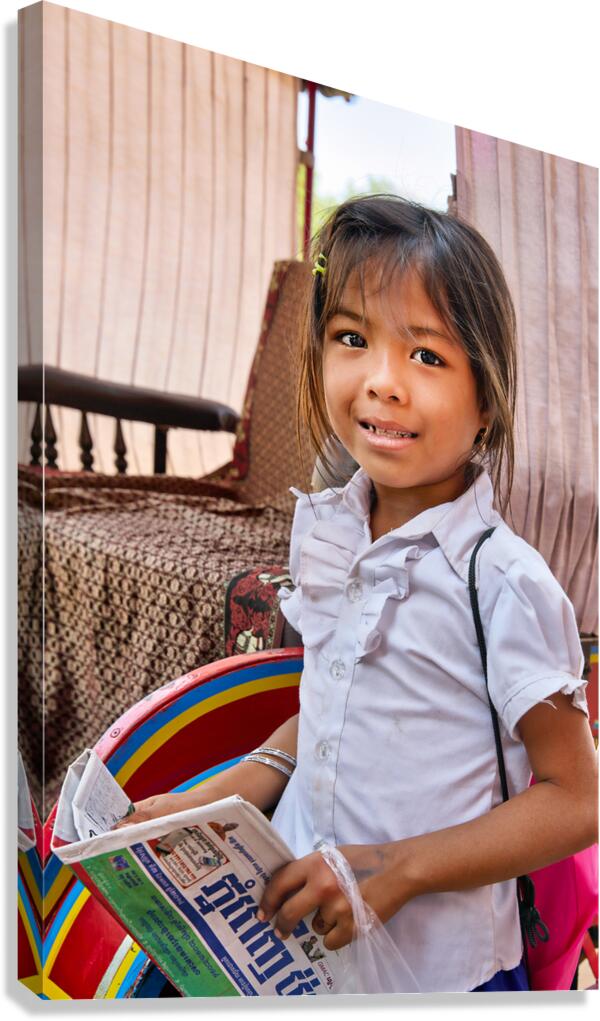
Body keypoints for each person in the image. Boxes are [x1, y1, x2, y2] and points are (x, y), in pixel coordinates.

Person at [117, 195, 597, 993]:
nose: (382, 382)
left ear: (488, 401)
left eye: (428, 357)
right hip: (294, 941)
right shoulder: (332, 532)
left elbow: (577, 800)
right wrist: (210, 800)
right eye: (352, 338)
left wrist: (391, 868)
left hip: (433, 971)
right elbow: (340, 700)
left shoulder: (504, 582)